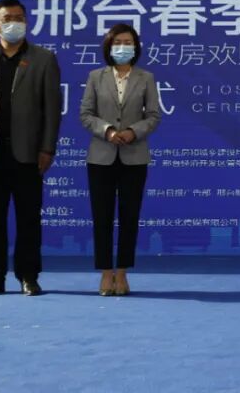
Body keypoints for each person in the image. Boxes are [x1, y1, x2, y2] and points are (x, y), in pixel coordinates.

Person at [0, 0, 62, 297]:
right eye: (7, 18)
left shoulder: (44, 59)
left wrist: (47, 148)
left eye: (19, 18)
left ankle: (28, 276)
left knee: (28, 218)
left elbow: (52, 109)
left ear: (27, 22)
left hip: (28, 152)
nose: (14, 23)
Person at [80, 23, 162, 296]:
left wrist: (132, 131)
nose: (123, 47)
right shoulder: (96, 76)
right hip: (100, 157)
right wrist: (107, 131)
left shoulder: (146, 77)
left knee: (129, 216)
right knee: (102, 216)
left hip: (134, 157)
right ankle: (106, 273)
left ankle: (123, 272)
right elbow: (86, 114)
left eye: (128, 42)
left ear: (136, 47)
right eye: (118, 42)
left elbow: (153, 116)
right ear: (109, 46)